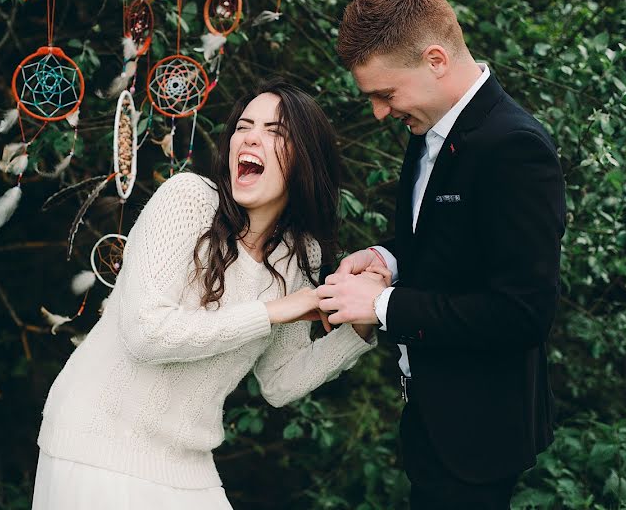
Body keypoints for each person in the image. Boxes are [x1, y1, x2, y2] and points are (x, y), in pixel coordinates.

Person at [31, 78, 380, 509]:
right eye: (244, 126)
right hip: (97, 441)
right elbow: (146, 333)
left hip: (187, 462)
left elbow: (279, 381)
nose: (251, 137)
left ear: (307, 159)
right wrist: (275, 310)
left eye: (276, 131)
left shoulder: (300, 251)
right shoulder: (188, 199)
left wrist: (361, 328)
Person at [318, 0, 565, 509]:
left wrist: (381, 306)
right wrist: (387, 257)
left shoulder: (515, 148)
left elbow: (524, 313)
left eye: (386, 94)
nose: (380, 112)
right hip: (432, 419)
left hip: (480, 433)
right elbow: (442, 243)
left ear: (435, 60)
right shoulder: (429, 128)